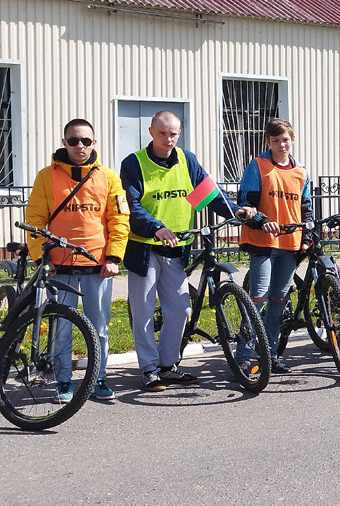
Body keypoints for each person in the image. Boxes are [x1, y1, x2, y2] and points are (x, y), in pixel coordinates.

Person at [121, 110, 255, 391]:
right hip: (145, 248)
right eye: (162, 133)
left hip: (177, 248)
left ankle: (168, 365)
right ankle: (148, 369)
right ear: (150, 132)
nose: (168, 139)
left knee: (180, 309)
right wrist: (155, 226)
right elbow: (132, 207)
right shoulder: (134, 163)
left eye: (173, 134)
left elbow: (208, 195)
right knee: (143, 311)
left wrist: (235, 210)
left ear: (179, 133)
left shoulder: (186, 160)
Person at [24, 119, 130, 403]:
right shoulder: (46, 177)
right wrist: (40, 257)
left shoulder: (108, 177)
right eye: (73, 141)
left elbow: (118, 219)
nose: (79, 146)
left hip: (98, 266)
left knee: (99, 327)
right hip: (61, 266)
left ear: (94, 143)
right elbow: (34, 220)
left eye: (85, 141)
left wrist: (114, 256)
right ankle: (63, 382)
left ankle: (99, 378)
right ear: (64, 142)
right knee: (61, 327)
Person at [238, 119, 311, 374]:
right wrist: (261, 221)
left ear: (292, 140)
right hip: (263, 243)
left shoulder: (301, 172)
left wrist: (308, 234)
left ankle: (269, 353)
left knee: (279, 300)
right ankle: (244, 355)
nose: (282, 145)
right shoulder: (257, 166)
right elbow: (247, 204)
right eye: (276, 140)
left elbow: (306, 208)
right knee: (257, 298)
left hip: (290, 243)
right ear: (268, 142)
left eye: (286, 140)